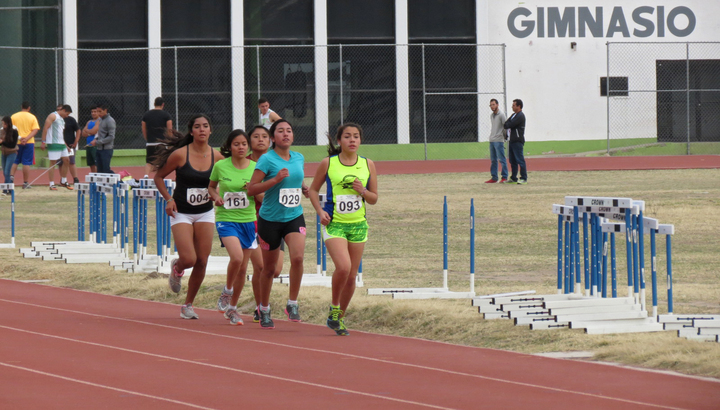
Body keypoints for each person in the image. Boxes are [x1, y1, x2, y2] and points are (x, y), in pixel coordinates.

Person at [309, 123, 378, 336]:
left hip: (358, 225)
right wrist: (320, 211)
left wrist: (363, 191)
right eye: (347, 136)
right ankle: (335, 304)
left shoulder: (368, 164)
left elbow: (374, 199)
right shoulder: (328, 163)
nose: (352, 140)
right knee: (343, 267)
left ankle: (338, 317)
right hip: (334, 224)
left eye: (356, 136)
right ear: (339, 141)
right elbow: (312, 190)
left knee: (352, 276)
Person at [153, 114, 223, 319]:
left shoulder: (218, 157)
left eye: (206, 126)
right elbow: (158, 176)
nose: (202, 130)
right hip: (181, 212)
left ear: (211, 131)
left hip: (205, 212)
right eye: (197, 126)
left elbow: (226, 180)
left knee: (202, 260)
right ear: (191, 131)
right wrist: (168, 198)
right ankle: (178, 267)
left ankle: (188, 305)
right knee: (190, 259)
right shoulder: (180, 155)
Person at [247, 119, 309, 329]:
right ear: (273, 138)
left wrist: (303, 187)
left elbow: (295, 179)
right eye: (280, 131)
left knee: (298, 257)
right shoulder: (266, 160)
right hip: (270, 220)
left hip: (294, 216)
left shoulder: (298, 157)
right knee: (269, 268)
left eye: (289, 131)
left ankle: (292, 303)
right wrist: (275, 180)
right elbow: (252, 189)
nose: (286, 134)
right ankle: (264, 308)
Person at [208, 130, 258, 326]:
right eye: (236, 144)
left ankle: (232, 309)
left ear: (248, 147)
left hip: (248, 220)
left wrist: (252, 189)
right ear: (230, 147)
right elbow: (211, 187)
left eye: (244, 144)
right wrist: (216, 197)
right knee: (236, 258)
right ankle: (227, 291)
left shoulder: (256, 167)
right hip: (226, 219)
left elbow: (262, 194)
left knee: (243, 267)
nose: (241, 147)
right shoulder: (220, 166)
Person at [246, 125, 284, 323]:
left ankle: (261, 305)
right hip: (251, 220)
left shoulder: (276, 161)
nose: (261, 139)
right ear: (249, 140)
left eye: (264, 136)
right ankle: (260, 307)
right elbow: (250, 191)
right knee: (260, 267)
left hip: (278, 219)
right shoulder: (244, 165)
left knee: (275, 270)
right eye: (256, 136)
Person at [40, 105, 71, 191]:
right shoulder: (53, 116)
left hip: (61, 143)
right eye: (67, 114)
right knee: (53, 163)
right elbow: (45, 128)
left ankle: (63, 181)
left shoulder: (62, 119)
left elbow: (61, 134)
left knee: (67, 160)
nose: (67, 116)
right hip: (53, 143)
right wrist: (43, 141)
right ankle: (51, 184)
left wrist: (66, 145)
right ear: (64, 110)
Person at [10, 102, 40, 189]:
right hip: (29, 142)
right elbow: (35, 130)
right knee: (26, 162)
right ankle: (25, 183)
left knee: (15, 161)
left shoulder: (14, 116)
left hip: (17, 142)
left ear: (21, 107)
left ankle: (10, 180)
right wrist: (26, 139)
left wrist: (20, 138)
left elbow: (11, 129)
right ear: (29, 108)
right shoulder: (32, 117)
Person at [142, 97, 173, 178]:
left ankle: (146, 176)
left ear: (154, 104)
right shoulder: (166, 115)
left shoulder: (146, 115)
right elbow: (169, 130)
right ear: (163, 104)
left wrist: (148, 139)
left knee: (149, 162)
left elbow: (144, 129)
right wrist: (170, 142)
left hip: (150, 142)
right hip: (162, 143)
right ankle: (160, 178)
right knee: (162, 162)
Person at [504, 99, 528, 184]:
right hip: (511, 140)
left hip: (517, 140)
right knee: (512, 160)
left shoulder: (520, 116)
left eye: (514, 105)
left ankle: (523, 178)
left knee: (520, 160)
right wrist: (508, 124)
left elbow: (510, 124)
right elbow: (506, 124)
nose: (512, 107)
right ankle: (514, 177)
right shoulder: (514, 115)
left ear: (519, 106)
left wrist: (509, 124)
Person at [486, 99, 508, 184]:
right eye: (491, 105)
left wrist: (504, 137)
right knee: (493, 160)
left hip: (499, 140)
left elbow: (505, 127)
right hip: (492, 140)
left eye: (493, 104)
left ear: (497, 105)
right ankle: (494, 177)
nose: (492, 106)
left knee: (502, 159)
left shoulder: (501, 115)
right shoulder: (492, 115)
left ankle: (504, 177)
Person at [59, 105, 81, 188]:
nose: (66, 116)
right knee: (61, 163)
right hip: (60, 144)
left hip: (70, 144)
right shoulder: (57, 120)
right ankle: (63, 180)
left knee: (71, 161)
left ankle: (75, 179)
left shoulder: (71, 120)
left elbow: (78, 130)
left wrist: (75, 142)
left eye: (68, 114)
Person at [89, 104, 115, 174]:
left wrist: (97, 142)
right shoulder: (100, 120)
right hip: (99, 149)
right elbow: (100, 134)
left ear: (105, 110)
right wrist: (96, 139)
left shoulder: (110, 121)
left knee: (106, 170)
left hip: (106, 149)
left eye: (100, 111)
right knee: (99, 170)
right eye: (97, 111)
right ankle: (101, 184)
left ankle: (120, 182)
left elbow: (111, 137)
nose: (98, 113)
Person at [0, 116, 19, 193]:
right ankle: (10, 189)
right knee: (5, 172)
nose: (3, 126)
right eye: (2, 124)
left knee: (7, 171)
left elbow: (12, 145)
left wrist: (2, 142)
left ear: (8, 123)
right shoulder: (2, 131)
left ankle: (5, 190)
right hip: (4, 153)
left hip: (12, 153)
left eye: (4, 124)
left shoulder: (14, 132)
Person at [82, 106, 100, 173]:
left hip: (95, 146)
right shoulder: (89, 122)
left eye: (95, 112)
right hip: (88, 146)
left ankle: (98, 178)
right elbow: (83, 133)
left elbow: (94, 131)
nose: (93, 113)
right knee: (91, 164)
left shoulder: (99, 121)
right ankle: (93, 179)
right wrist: (89, 132)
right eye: (92, 112)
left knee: (96, 164)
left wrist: (88, 131)